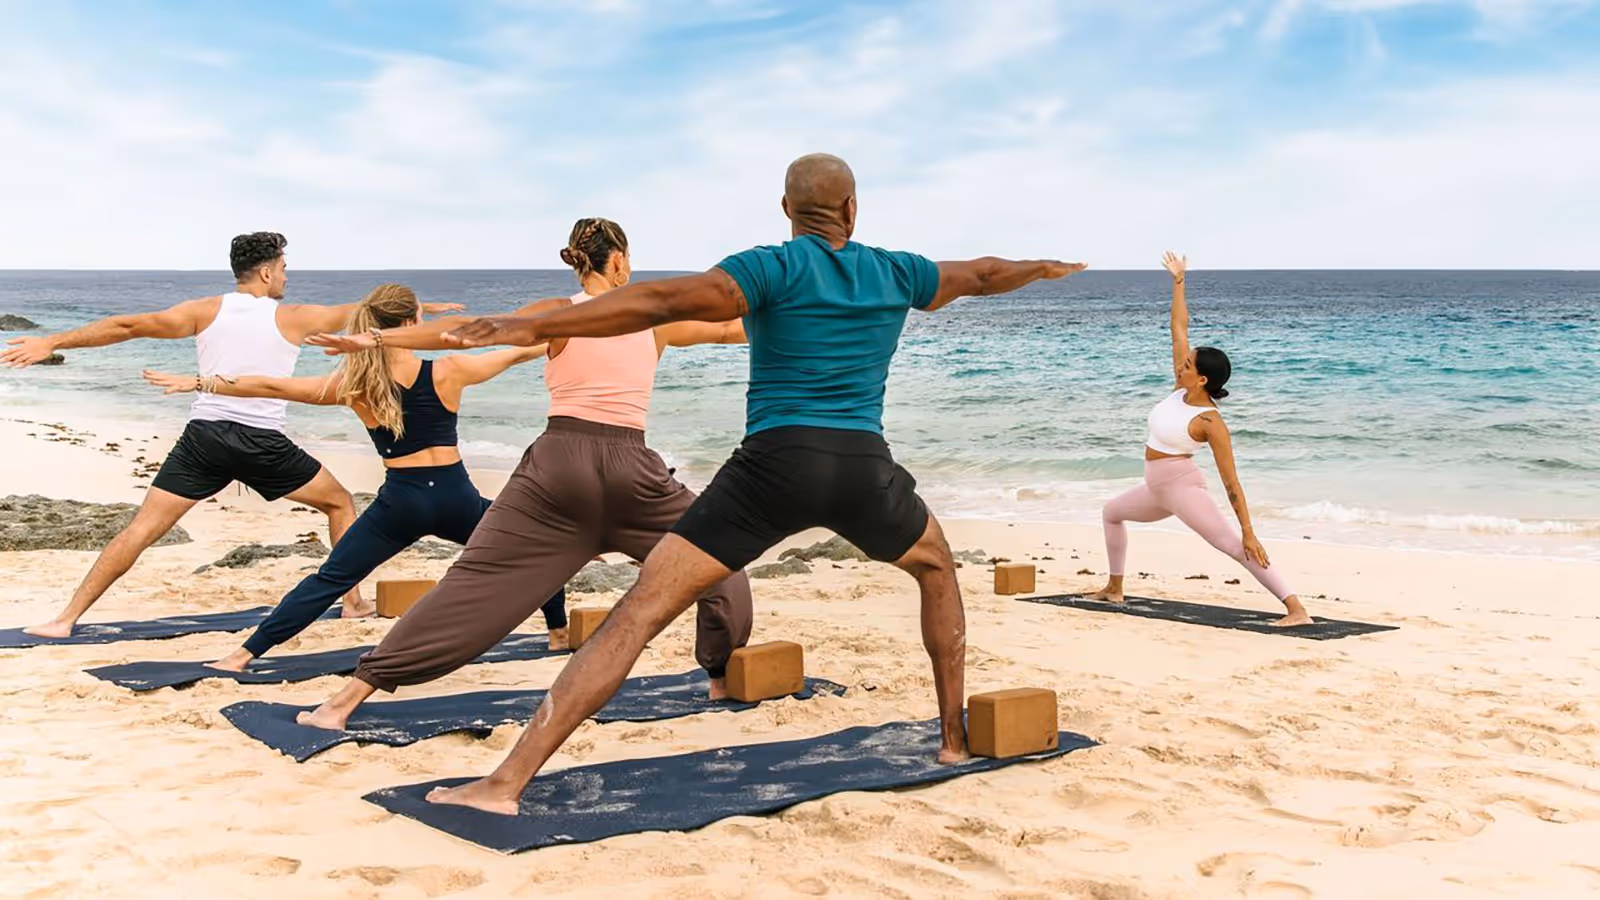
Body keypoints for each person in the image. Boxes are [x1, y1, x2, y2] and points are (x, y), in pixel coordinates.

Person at [414, 153, 1088, 814]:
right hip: (862, 468)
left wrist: (531, 322)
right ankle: (950, 741)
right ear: (852, 210)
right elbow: (983, 273)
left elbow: (655, 300)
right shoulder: (898, 270)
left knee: (642, 609)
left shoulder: (767, 265)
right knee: (936, 567)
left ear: (788, 210)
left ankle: (506, 782)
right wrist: (1045, 269)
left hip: (773, 468)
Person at [289, 216, 754, 730]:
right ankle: (718, 678)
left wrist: (375, 339)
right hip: (632, 471)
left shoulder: (557, 314)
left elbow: (470, 332)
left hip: (557, 467)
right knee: (717, 560)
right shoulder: (654, 319)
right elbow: (734, 329)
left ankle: (344, 702)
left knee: (474, 585)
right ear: (618, 260)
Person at [1, 233, 458, 638]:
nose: (285, 276)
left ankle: (64, 619)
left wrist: (53, 341)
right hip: (261, 442)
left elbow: (127, 326)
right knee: (339, 502)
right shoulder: (296, 317)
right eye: (282, 268)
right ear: (265, 270)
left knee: (142, 529)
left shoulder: (204, 311)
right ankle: (352, 604)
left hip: (205, 439)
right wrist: (417, 317)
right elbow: (368, 319)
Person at [140, 283, 568, 670]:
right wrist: (580, 329)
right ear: (412, 324)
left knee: (331, 579)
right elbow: (521, 350)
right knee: (535, 549)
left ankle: (241, 656)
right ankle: (558, 634)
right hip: (455, 497)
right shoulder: (449, 370)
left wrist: (201, 382)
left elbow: (270, 387)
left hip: (401, 503)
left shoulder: (354, 385)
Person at [1086, 252, 1311, 627]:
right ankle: (1114, 587)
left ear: (1203, 379)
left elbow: (1231, 481)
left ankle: (1296, 609)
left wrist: (1249, 531)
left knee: (1236, 549)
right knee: (1112, 513)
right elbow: (1178, 328)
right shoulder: (1179, 390)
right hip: (1155, 488)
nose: (1181, 365)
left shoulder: (1209, 422)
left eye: (1189, 365)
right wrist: (1178, 281)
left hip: (1180, 488)